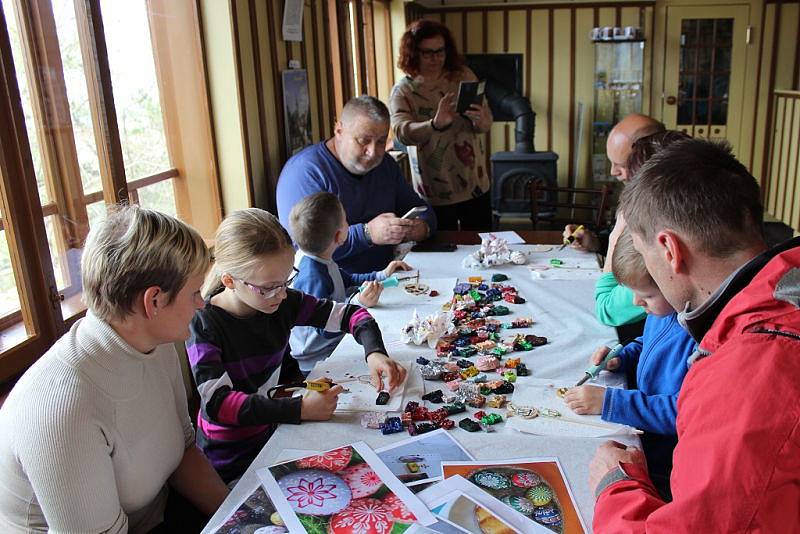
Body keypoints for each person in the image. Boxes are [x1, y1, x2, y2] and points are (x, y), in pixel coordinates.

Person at [589, 138, 800, 531]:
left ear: (669, 249)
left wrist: (616, 484)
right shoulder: (777, 295)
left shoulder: (753, 369)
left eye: (641, 249)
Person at [0, 205, 229, 533]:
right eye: (195, 293)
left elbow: (181, 452)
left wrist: (244, 518)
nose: (201, 304)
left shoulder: (156, 340)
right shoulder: (62, 406)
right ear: (153, 302)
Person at [187, 208, 407, 482]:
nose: (281, 294)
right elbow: (218, 405)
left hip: (275, 433)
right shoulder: (203, 326)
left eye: (286, 281)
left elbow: (353, 315)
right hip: (230, 461)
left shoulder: (280, 301)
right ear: (229, 280)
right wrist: (300, 409)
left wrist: (375, 353)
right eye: (269, 287)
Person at [565, 229, 694, 500]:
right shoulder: (662, 311)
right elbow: (646, 342)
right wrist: (621, 357)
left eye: (645, 296)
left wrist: (610, 402)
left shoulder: (696, 336)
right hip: (647, 438)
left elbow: (680, 412)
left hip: (665, 464)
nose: (636, 303)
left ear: (671, 280)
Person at [276, 96, 436, 273]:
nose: (373, 152)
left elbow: (421, 209)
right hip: (333, 289)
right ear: (339, 131)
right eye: (363, 140)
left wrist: (421, 228)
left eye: (381, 141)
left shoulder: (385, 165)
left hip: (389, 276)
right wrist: (368, 234)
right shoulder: (305, 173)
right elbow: (306, 249)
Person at [288, 192, 413, 375]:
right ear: (339, 236)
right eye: (346, 220)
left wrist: (383, 274)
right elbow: (326, 327)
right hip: (320, 359)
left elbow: (348, 279)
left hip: (333, 341)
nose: (349, 223)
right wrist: (359, 303)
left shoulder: (319, 257)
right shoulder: (313, 277)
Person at [389, 19, 493, 231]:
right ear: (413, 52)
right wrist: (434, 124)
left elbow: (485, 122)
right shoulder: (403, 91)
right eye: (427, 52)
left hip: (475, 182)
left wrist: (483, 120)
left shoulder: (463, 75)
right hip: (434, 188)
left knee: (483, 248)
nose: (435, 58)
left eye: (440, 51)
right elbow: (401, 133)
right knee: (442, 251)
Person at [594, 130, 690, 331]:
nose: (614, 172)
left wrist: (615, 238)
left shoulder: (657, 265)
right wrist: (598, 242)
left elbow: (606, 308)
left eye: (623, 166)